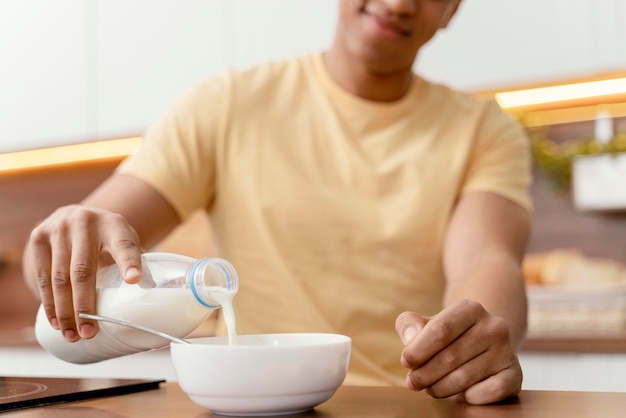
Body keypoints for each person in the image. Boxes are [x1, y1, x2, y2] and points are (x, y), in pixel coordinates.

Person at [23, 0, 532, 406]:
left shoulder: (486, 132)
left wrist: (478, 336)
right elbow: (72, 247)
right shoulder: (228, 106)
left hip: (409, 403)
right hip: (249, 404)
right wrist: (61, 245)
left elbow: (487, 261)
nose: (400, 3)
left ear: (453, 10)